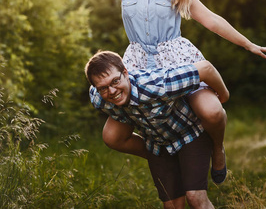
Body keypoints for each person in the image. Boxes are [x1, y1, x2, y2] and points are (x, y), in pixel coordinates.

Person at [9, 0, 266, 184]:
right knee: (112, 136)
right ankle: (166, 156)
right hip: (137, 63)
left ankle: (217, 150)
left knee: (213, 112)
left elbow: (212, 20)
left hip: (175, 58)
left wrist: (247, 44)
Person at [85, 50, 229, 208]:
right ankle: (172, 162)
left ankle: (215, 150)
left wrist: (224, 96)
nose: (112, 91)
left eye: (115, 81)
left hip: (190, 133)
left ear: (125, 73)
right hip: (157, 145)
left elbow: (206, 68)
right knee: (172, 206)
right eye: (103, 88)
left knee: (195, 198)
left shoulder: (156, 84)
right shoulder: (99, 99)